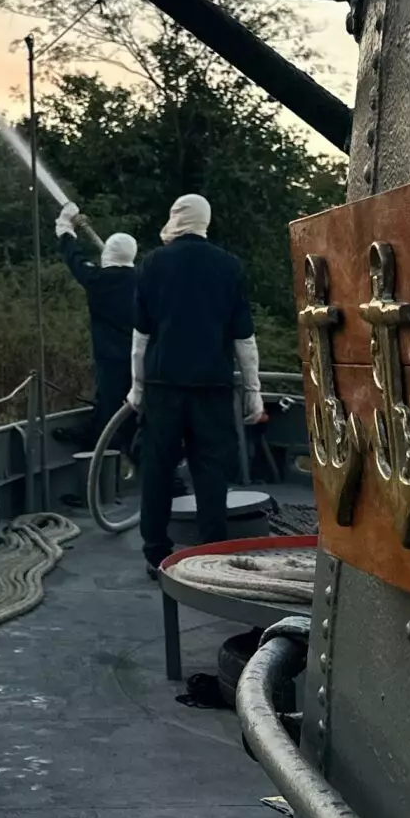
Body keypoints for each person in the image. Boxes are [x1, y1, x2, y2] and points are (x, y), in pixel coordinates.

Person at [123, 192, 265, 569]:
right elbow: (244, 341)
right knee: (211, 472)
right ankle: (212, 552)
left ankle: (156, 553)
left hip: (162, 387)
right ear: (206, 220)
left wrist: (137, 388)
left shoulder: (152, 264)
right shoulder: (229, 267)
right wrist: (254, 394)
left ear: (176, 217)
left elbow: (141, 338)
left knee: (157, 470)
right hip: (212, 389)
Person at [52, 201, 137, 454]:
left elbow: (74, 258)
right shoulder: (145, 281)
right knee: (142, 412)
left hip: (112, 360)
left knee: (108, 409)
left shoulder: (99, 281)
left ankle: (99, 468)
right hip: (145, 359)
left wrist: (64, 227)